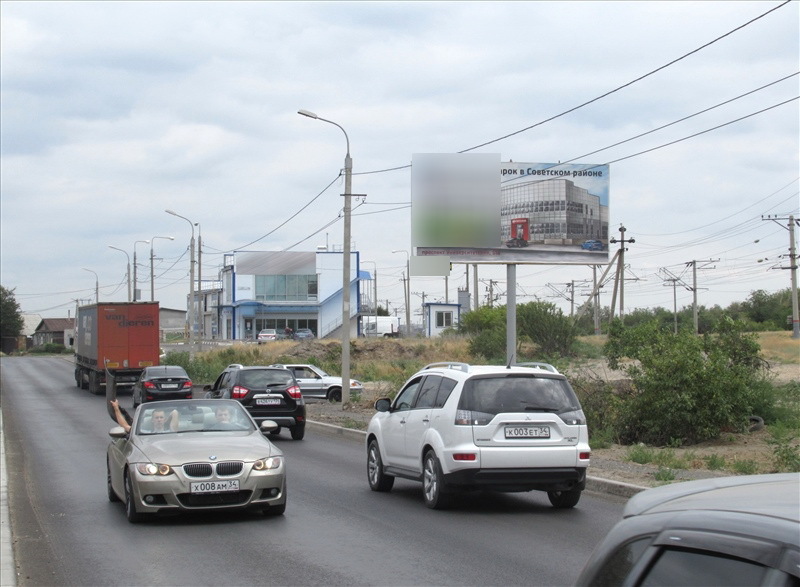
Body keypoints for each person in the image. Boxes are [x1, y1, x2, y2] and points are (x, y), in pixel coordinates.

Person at [110, 400, 178, 434]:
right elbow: (125, 426)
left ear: (165, 419)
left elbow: (175, 412)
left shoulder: (171, 432)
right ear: (152, 420)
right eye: (156, 418)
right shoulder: (144, 433)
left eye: (161, 417)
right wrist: (116, 409)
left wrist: (168, 419)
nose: (159, 420)